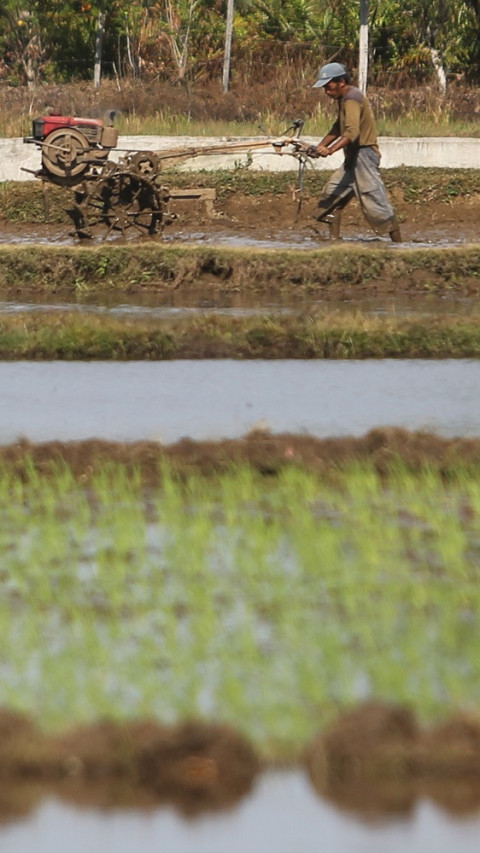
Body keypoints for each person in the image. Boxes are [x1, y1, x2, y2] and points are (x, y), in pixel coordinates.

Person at [306, 62, 402, 242]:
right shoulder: (343, 98)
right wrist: (320, 147)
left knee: (374, 201)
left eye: (329, 86)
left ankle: (399, 246)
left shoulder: (352, 98)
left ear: (341, 81)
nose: (326, 91)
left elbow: (352, 132)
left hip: (364, 155)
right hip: (352, 157)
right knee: (332, 196)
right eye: (325, 88)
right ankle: (334, 240)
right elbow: (338, 128)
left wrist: (331, 150)